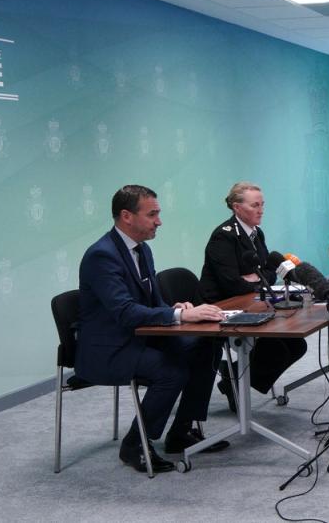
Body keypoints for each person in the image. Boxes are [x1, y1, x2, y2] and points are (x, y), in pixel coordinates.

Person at [77, 185, 228, 475]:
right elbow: (123, 312)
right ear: (126, 216)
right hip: (109, 348)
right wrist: (179, 314)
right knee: (171, 372)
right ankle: (135, 445)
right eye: (152, 214)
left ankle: (181, 432)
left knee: (206, 346)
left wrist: (176, 308)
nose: (159, 221)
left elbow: (150, 302)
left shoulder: (142, 249)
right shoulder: (102, 256)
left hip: (140, 337)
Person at [200, 182, 307, 410]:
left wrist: (253, 279)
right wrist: (254, 280)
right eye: (255, 205)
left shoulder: (256, 233)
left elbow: (270, 272)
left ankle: (234, 379)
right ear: (237, 208)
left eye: (262, 205)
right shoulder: (223, 236)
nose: (261, 210)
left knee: (296, 345)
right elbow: (232, 284)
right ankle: (235, 381)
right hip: (221, 307)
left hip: (250, 302)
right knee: (277, 348)